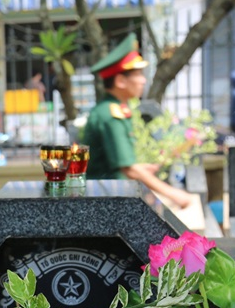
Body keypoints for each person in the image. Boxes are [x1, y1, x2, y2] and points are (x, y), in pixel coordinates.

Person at [80, 33, 192, 208]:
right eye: (138, 74)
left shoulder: (114, 110)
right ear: (120, 81)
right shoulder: (111, 115)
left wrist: (142, 168)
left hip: (109, 196)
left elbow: (120, 164)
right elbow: (128, 169)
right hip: (104, 201)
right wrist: (174, 194)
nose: (143, 80)